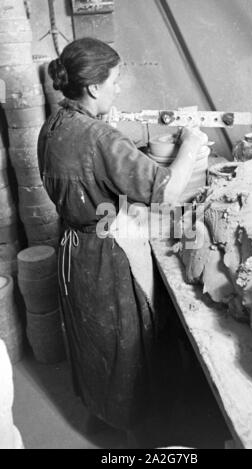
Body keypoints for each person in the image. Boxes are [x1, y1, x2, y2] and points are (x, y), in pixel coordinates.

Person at [37, 37, 209, 447]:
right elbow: (165, 190)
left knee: (91, 340)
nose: (117, 89)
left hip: (73, 250)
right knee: (126, 342)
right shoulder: (97, 137)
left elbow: (85, 178)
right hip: (104, 255)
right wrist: (189, 145)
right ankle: (141, 435)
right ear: (94, 87)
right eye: (114, 82)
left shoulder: (53, 127)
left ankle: (102, 414)